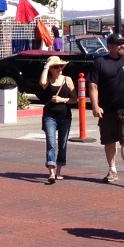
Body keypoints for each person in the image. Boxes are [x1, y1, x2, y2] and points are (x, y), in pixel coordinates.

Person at [88, 34, 124, 186]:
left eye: (123, 43)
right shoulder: (100, 62)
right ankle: (112, 170)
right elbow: (93, 86)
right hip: (106, 111)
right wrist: (95, 105)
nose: (122, 46)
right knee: (109, 142)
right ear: (110, 46)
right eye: (119, 44)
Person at [39, 56, 74, 184]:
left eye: (60, 66)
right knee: (51, 142)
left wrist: (62, 100)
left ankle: (59, 169)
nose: (60, 68)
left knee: (62, 144)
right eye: (56, 66)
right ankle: (51, 172)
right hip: (50, 116)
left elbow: (75, 99)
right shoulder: (48, 79)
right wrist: (47, 65)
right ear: (51, 69)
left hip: (65, 116)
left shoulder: (67, 80)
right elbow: (42, 83)